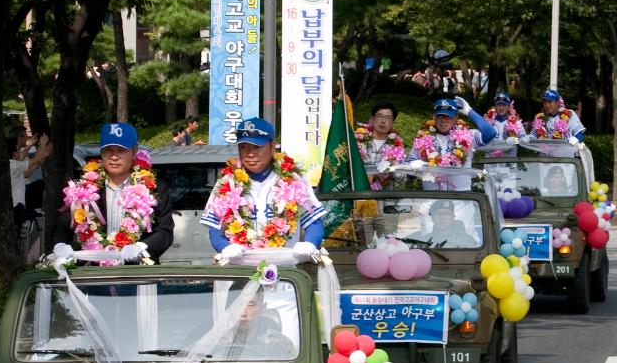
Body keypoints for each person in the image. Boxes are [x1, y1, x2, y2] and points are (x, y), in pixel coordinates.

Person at [201, 117, 326, 257]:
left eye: (257, 147)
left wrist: (310, 243)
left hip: (284, 270)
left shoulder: (293, 180)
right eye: (243, 147)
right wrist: (224, 248)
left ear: (272, 146)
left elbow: (313, 221)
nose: (250, 153)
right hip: (238, 268)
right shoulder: (227, 182)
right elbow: (214, 227)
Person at [53, 122, 174, 262]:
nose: (114, 157)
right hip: (92, 273)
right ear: (101, 153)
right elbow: (63, 225)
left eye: (121, 150)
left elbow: (165, 232)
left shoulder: (154, 188)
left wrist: (141, 247)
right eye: (108, 150)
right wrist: (60, 244)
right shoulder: (83, 189)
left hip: (138, 273)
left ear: (134, 152)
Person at [412, 97, 497, 168]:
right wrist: (414, 167)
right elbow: (410, 162)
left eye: (448, 116)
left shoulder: (468, 136)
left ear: (456, 116)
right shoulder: (423, 138)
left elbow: (490, 133)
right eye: (440, 116)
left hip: (461, 188)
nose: (444, 120)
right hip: (431, 187)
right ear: (434, 117)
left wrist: (470, 112)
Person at [9, 132, 51, 227]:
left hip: (17, 202)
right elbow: (36, 159)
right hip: (17, 204)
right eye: (18, 151)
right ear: (13, 154)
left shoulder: (13, 163)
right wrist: (43, 144)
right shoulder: (14, 165)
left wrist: (30, 145)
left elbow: (24, 156)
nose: (21, 153)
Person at [356, 102, 405, 167]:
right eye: (379, 116)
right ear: (373, 119)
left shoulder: (397, 146)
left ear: (392, 122)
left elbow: (402, 174)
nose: (383, 121)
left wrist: (393, 169)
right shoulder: (357, 140)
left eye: (388, 118)